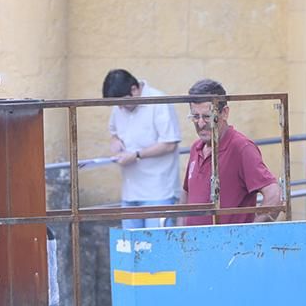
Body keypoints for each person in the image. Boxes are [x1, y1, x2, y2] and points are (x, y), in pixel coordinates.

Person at [183, 79, 282, 225]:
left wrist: (249, 233)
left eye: (207, 116)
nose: (201, 123)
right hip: (193, 244)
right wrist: (179, 235)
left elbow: (274, 196)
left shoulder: (241, 148)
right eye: (195, 117)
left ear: (224, 113)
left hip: (228, 245)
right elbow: (186, 194)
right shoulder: (196, 148)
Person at [102, 69, 182, 228]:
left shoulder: (159, 102)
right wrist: (115, 142)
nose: (120, 107)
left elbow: (170, 144)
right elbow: (114, 133)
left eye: (123, 102)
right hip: (130, 191)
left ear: (134, 89)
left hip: (158, 191)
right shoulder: (120, 106)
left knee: (157, 246)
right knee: (131, 248)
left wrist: (137, 155)